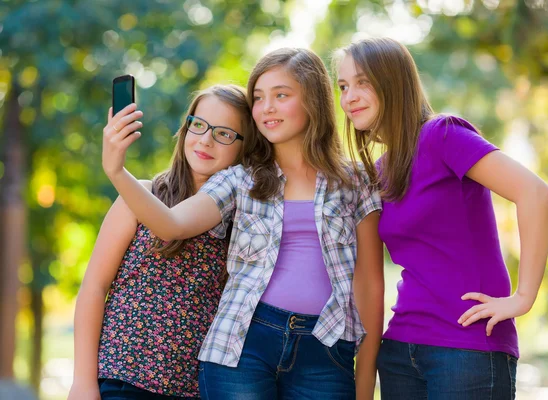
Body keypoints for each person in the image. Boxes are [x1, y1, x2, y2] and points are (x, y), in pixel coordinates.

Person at [101, 47, 384, 400]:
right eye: (259, 97)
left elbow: (370, 283)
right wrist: (116, 171)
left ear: (313, 100)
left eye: (281, 95)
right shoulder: (240, 179)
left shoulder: (356, 181)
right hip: (243, 344)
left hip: (326, 348)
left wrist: (366, 379)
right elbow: (171, 225)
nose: (266, 107)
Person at [335, 37, 548, 400]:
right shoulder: (380, 171)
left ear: (394, 81)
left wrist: (523, 297)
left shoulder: (443, 134)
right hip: (401, 349)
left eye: (363, 82)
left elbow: (535, 193)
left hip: (467, 348)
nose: (349, 97)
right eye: (343, 86)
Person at [68, 84, 251, 400]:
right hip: (123, 378)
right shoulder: (140, 196)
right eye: (199, 125)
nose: (206, 139)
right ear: (186, 129)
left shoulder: (244, 222)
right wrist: (83, 382)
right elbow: (94, 288)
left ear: (244, 148)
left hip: (195, 387)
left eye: (224, 134)